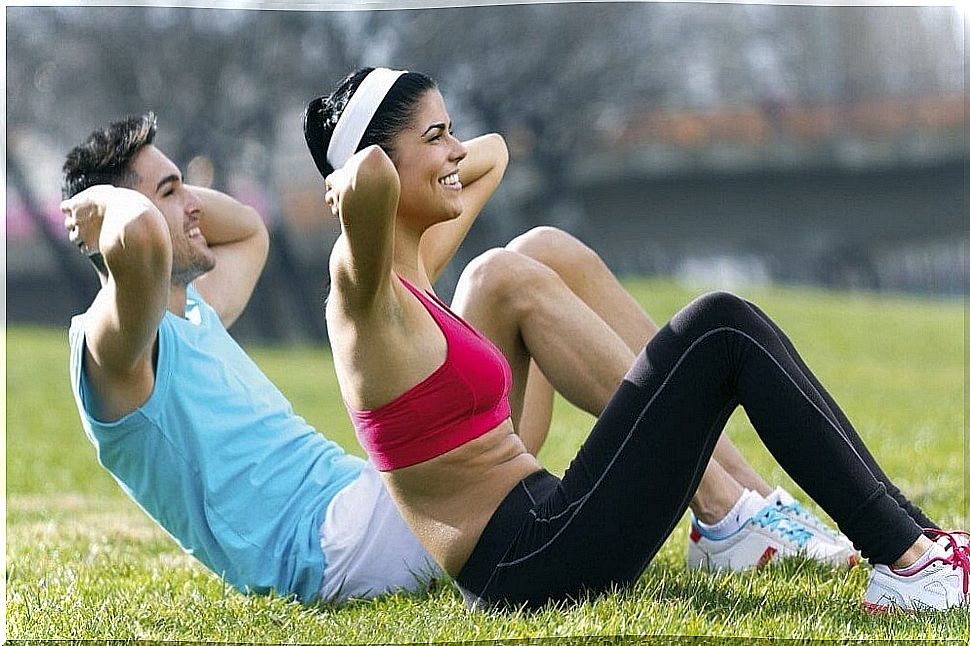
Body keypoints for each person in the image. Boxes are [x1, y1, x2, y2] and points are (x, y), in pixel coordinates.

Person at [62, 113, 850, 608]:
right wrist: (100, 207)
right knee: (500, 278)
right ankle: (722, 516)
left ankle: (746, 503)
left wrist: (165, 187)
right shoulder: (117, 349)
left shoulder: (193, 310)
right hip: (338, 551)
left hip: (378, 503)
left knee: (541, 251)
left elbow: (250, 233)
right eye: (171, 189)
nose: (194, 201)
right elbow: (142, 239)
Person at [303, 66, 967, 613]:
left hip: (541, 525)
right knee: (720, 328)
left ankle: (917, 543)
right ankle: (907, 566)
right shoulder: (362, 296)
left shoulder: (414, 264)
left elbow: (495, 152)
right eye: (438, 136)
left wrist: (422, 149)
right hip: (526, 563)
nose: (455, 151)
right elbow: (369, 185)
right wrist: (355, 167)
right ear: (379, 162)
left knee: (548, 256)